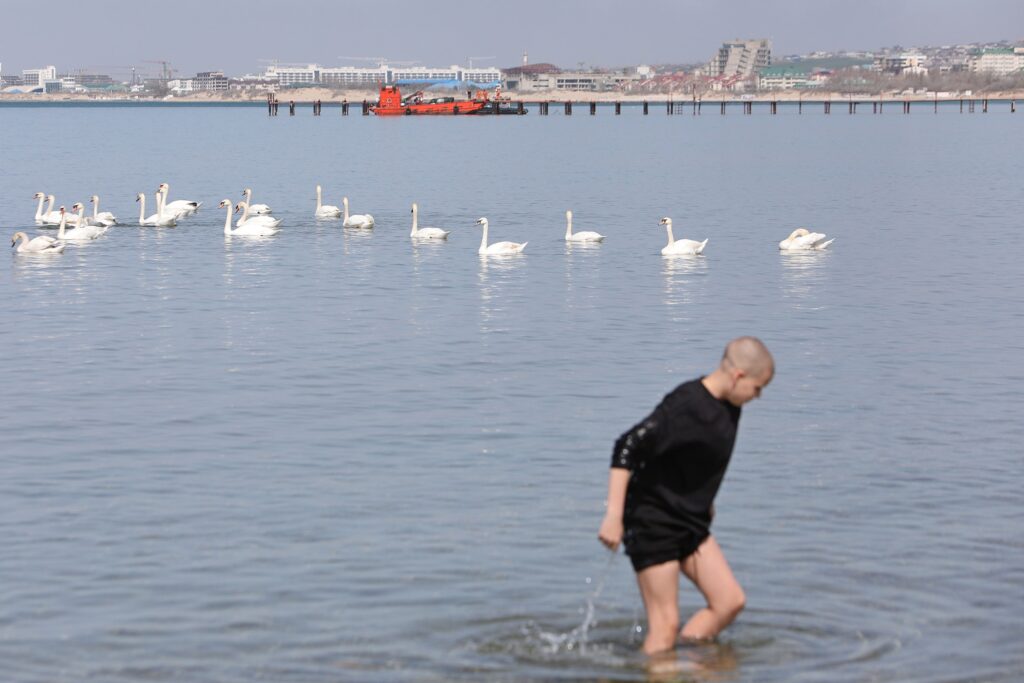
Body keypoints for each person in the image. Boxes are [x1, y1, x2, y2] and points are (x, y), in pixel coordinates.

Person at [598, 336, 774, 655]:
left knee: (729, 602)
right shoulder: (685, 405)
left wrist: (705, 501)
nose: (758, 397)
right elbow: (626, 445)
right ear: (738, 376)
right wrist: (613, 515)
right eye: (758, 388)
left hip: (689, 521)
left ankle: (685, 667)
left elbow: (693, 458)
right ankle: (659, 668)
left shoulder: (730, 406)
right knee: (664, 625)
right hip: (654, 522)